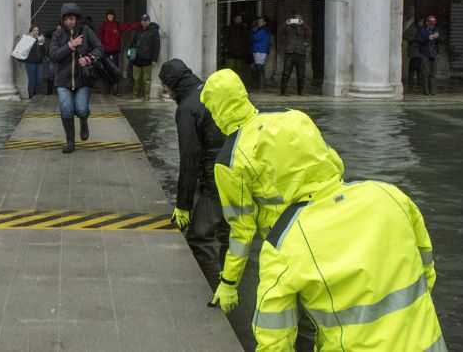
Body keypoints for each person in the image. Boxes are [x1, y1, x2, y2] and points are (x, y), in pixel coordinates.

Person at [251, 113, 444, 350]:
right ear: (322, 149)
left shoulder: (284, 243)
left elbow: (274, 341)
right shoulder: (390, 195)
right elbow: (427, 271)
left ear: (271, 171)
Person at [198, 71, 343, 335]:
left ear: (216, 110)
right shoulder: (295, 118)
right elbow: (336, 166)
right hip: (337, 227)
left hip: (291, 246)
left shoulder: (229, 161)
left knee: (293, 327)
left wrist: (229, 282)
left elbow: (242, 231)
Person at [159, 59, 229, 288]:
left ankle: (217, 291)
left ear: (173, 84)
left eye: (166, 87)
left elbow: (189, 160)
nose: (166, 93)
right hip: (238, 172)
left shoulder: (188, 108)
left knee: (199, 238)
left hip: (215, 181)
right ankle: (232, 281)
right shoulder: (210, 92)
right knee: (230, 234)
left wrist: (183, 205)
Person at [49, 3, 103, 153]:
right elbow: (53, 56)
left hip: (83, 80)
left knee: (81, 108)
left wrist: (89, 58)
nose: (69, 22)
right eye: (66, 19)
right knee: (66, 110)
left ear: (77, 18)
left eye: (72, 18)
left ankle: (84, 121)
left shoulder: (86, 31)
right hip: (63, 81)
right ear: (62, 20)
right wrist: (70, 45)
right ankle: (70, 142)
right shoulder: (57, 35)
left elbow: (100, 48)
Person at [97, 10, 139, 95]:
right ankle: (107, 90)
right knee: (106, 71)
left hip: (115, 52)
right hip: (105, 52)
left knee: (115, 71)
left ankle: (115, 90)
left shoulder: (118, 25)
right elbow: (99, 38)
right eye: (109, 15)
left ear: (114, 16)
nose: (110, 17)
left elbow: (129, 27)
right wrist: (100, 49)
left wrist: (140, 25)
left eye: (111, 15)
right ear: (106, 16)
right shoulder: (103, 26)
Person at [129, 14, 161, 101]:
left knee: (147, 79)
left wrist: (154, 59)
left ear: (149, 21)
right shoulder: (138, 30)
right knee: (136, 78)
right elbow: (133, 43)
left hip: (147, 58)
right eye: (143, 20)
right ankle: (135, 94)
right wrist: (130, 54)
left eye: (146, 20)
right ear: (141, 21)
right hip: (137, 58)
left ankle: (146, 96)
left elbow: (157, 46)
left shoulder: (154, 31)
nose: (144, 22)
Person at [279, 11, 312, 96]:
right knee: (286, 73)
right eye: (296, 19)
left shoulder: (303, 28)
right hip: (290, 53)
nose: (297, 20)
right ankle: (282, 91)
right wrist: (286, 23)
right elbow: (280, 31)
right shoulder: (288, 27)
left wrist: (303, 24)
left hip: (300, 53)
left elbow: (309, 33)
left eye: (299, 19)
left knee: (301, 74)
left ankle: (300, 92)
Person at [416, 15, 443, 96]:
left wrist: (437, 38)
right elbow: (418, 40)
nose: (432, 25)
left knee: (433, 73)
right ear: (427, 23)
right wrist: (428, 38)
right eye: (430, 23)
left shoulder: (437, 30)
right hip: (425, 54)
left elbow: (442, 40)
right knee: (425, 73)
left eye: (433, 24)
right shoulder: (421, 30)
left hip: (434, 54)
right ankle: (426, 91)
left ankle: (433, 91)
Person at [222, 13, 251, 83]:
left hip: (240, 53)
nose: (239, 20)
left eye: (240, 19)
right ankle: (228, 82)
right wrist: (227, 48)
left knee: (239, 70)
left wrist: (245, 50)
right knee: (229, 69)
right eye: (237, 19)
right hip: (231, 53)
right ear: (234, 19)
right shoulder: (229, 28)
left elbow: (247, 40)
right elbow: (225, 39)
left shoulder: (244, 29)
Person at [23, 25, 47, 98]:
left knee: (39, 79)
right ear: (31, 31)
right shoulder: (28, 39)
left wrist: (42, 56)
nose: (36, 32)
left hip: (39, 62)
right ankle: (31, 95)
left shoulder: (41, 39)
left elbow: (43, 50)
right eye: (34, 30)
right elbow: (23, 49)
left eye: (37, 30)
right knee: (32, 79)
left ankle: (36, 94)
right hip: (30, 62)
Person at [250, 16, 271, 91]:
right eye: (258, 21)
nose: (259, 23)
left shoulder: (263, 30)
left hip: (259, 50)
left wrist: (252, 33)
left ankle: (260, 85)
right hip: (260, 50)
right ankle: (261, 85)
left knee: (259, 68)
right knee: (260, 68)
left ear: (264, 23)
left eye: (261, 21)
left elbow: (255, 37)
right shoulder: (264, 29)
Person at [403, 18, 424, 86]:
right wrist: (414, 39)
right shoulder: (413, 29)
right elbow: (404, 35)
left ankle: (419, 81)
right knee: (412, 66)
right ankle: (411, 81)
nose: (422, 23)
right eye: (421, 22)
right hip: (414, 51)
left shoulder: (422, 29)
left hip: (421, 51)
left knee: (420, 67)